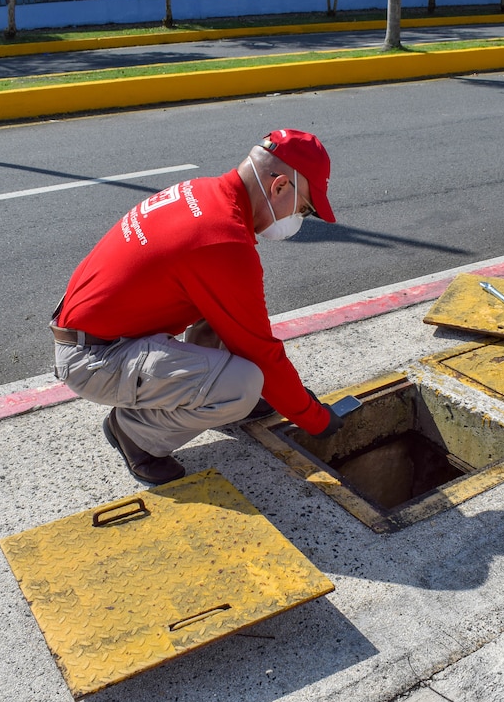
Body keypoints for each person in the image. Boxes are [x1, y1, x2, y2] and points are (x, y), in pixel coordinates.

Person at [51, 129, 345, 485]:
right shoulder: (222, 240)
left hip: (93, 335)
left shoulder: (204, 193)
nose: (299, 218)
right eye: (305, 208)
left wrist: (287, 397)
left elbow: (240, 325)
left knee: (228, 311)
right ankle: (134, 433)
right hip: (94, 360)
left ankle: (218, 397)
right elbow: (261, 351)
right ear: (279, 186)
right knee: (244, 383)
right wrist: (314, 419)